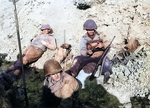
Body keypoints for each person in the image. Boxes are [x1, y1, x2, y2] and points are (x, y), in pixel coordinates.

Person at [66, 19, 113, 84]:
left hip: (100, 56)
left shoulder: (100, 35)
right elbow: (82, 50)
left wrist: (102, 45)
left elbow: (109, 43)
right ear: (86, 30)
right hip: (89, 56)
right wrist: (88, 52)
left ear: (95, 29)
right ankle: (71, 74)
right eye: (89, 30)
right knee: (77, 59)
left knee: (105, 61)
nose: (91, 31)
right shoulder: (84, 39)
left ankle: (106, 76)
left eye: (92, 29)